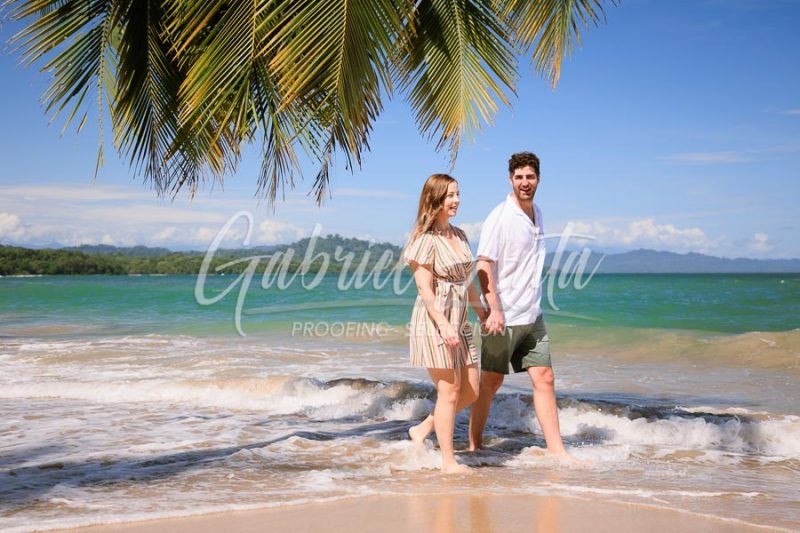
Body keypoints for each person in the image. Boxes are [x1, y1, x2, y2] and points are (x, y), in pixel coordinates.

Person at [468, 152, 576, 462]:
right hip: (503, 316)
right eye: (519, 177)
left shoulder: (537, 213)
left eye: (530, 177)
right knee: (491, 382)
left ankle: (557, 451)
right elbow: (483, 263)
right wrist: (495, 308)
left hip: (532, 315)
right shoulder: (500, 217)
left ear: (538, 179)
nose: (524, 182)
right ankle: (475, 445)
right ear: (510, 179)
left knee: (544, 378)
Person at [404, 173, 488, 474]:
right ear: (435, 199)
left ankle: (424, 428)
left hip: (460, 320)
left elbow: (468, 281)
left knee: (471, 391)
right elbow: (424, 289)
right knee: (450, 391)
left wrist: (482, 313)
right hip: (435, 319)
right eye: (450, 195)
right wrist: (442, 324)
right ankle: (448, 462)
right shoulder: (424, 240)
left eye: (458, 194)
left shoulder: (460, 235)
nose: (456, 200)